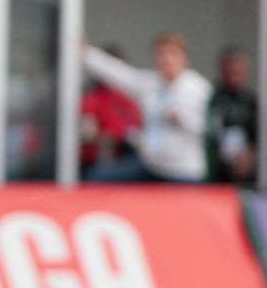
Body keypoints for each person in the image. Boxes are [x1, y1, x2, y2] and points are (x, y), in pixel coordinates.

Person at [82, 35, 211, 183]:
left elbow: (210, 129)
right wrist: (86, 52)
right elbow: (118, 73)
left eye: (172, 54)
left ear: (184, 58)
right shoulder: (150, 83)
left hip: (183, 172)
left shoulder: (198, 88)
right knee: (98, 176)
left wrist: (182, 119)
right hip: (152, 166)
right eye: (161, 54)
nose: (166, 59)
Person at [79, 43, 142, 176]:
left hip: (128, 157)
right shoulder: (91, 100)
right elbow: (87, 134)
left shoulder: (130, 100)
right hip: (98, 161)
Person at [207, 47, 257, 183]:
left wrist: (250, 154)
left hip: (243, 166)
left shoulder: (251, 100)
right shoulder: (212, 97)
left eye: (239, 71)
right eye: (231, 71)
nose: (234, 75)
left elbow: (257, 134)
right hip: (216, 165)